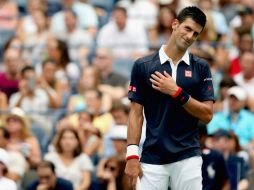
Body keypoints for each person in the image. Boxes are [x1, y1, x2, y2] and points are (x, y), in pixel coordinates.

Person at [125, 6, 214, 190]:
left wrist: (177, 92)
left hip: (188, 157)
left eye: (196, 34)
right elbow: (135, 113)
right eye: (187, 29)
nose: (190, 37)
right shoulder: (143, 66)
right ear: (175, 24)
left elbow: (207, 115)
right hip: (152, 157)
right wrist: (132, 155)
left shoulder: (201, 67)